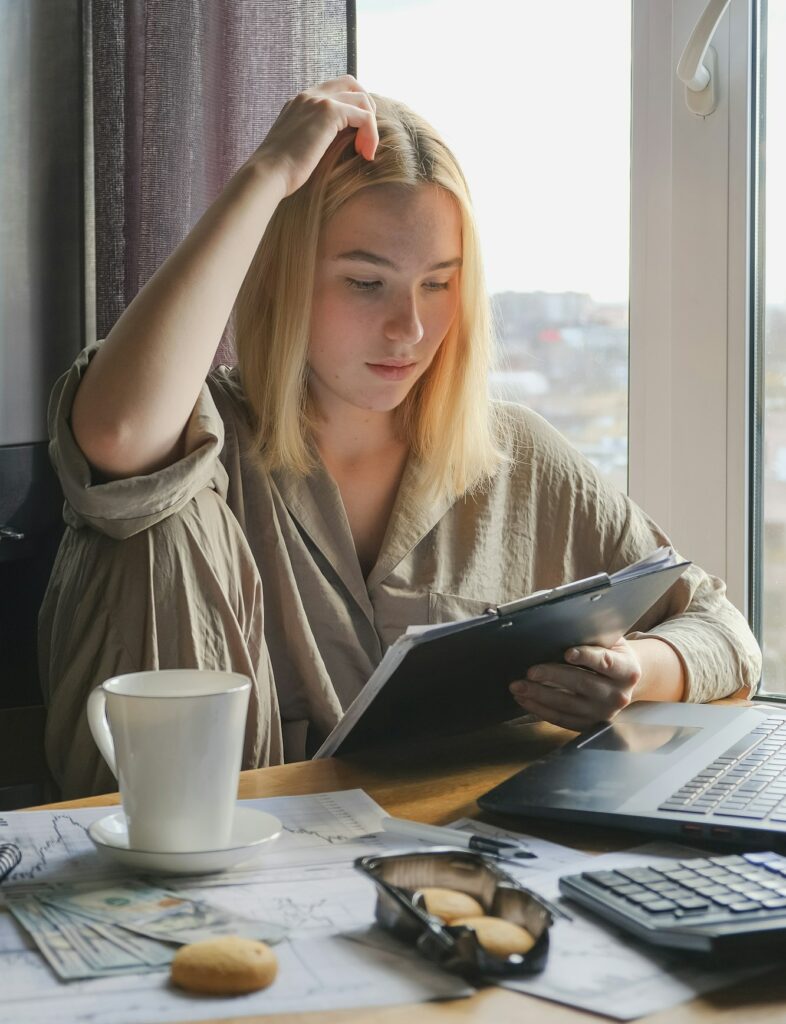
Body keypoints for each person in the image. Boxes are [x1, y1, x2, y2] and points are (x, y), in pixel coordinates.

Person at [40, 76, 762, 799]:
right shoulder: (191, 438)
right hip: (191, 873)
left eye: (438, 285)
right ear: (285, 278)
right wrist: (266, 177)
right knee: (159, 517)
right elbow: (121, 430)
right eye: (365, 283)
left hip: (428, 872)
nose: (409, 331)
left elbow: (724, 631)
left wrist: (634, 671)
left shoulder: (518, 457)